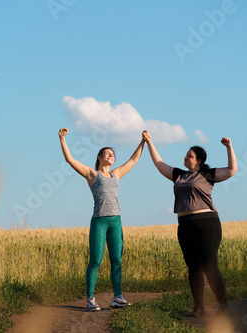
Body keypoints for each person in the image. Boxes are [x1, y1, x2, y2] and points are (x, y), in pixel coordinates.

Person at [143, 130, 237, 317]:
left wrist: (229, 147)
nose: (185, 157)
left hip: (207, 224)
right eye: (186, 155)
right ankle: (199, 308)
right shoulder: (178, 175)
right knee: (193, 267)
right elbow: (159, 163)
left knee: (210, 265)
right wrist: (148, 142)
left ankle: (223, 307)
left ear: (199, 161)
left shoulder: (207, 175)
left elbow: (231, 170)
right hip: (185, 225)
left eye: (190, 156)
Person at [59, 128, 146, 311]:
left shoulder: (116, 174)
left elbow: (134, 159)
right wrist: (62, 138)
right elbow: (70, 159)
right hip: (99, 222)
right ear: (99, 157)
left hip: (116, 222)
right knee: (95, 261)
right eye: (108, 153)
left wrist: (143, 141)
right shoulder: (92, 174)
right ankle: (90, 299)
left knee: (116, 260)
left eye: (113, 154)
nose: (111, 155)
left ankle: (118, 297)